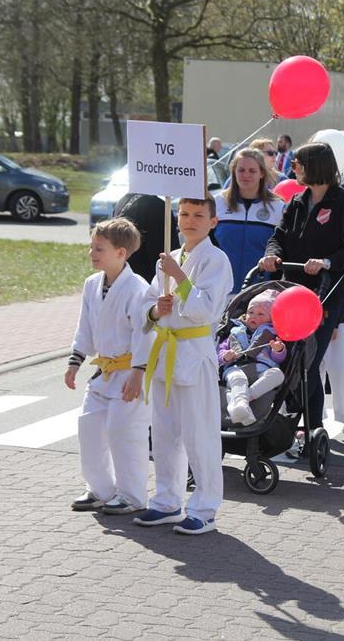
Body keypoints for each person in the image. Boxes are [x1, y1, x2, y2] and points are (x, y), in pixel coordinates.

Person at [135, 197, 233, 536]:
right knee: (164, 433)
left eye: (198, 215)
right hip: (165, 352)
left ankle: (205, 508)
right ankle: (166, 500)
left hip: (194, 352)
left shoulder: (216, 260)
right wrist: (155, 310)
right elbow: (146, 304)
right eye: (185, 214)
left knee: (199, 434)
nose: (190, 221)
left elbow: (205, 310)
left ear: (213, 222)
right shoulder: (171, 257)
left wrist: (180, 278)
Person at [259, 142, 344, 433]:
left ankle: (313, 428)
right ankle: (289, 423)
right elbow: (278, 236)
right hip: (290, 295)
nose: (293, 169)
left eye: (298, 163)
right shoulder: (296, 202)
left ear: (315, 166)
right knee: (288, 362)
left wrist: (327, 262)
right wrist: (272, 254)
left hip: (325, 297)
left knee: (308, 364)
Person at [65, 217, 153, 514]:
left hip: (130, 372)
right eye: (91, 247)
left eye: (99, 249)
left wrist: (138, 373)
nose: (92, 253)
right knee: (88, 426)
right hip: (104, 371)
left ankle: (132, 495)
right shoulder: (92, 285)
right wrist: (75, 362)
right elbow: (85, 327)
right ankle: (100, 488)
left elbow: (145, 333)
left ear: (121, 253)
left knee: (123, 432)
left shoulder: (137, 288)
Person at [213, 148, 286, 294]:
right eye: (241, 170)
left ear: (262, 173)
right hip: (219, 291)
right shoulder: (217, 203)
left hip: (260, 294)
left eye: (252, 171)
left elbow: (283, 249)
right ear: (234, 172)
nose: (246, 175)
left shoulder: (278, 207)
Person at [218, 289, 288, 426]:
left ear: (271, 318)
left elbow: (280, 359)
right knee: (238, 378)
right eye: (251, 312)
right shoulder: (235, 332)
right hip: (237, 367)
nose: (253, 316)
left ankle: (240, 400)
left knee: (278, 374)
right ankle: (241, 403)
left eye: (261, 314)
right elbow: (220, 351)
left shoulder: (273, 334)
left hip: (262, 370)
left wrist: (278, 350)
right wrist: (225, 356)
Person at [112, 193, 179, 283]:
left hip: (120, 277)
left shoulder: (124, 199)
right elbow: (162, 256)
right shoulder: (157, 207)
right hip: (146, 284)